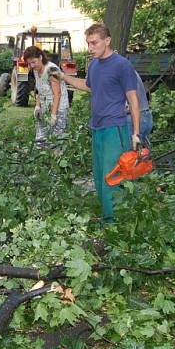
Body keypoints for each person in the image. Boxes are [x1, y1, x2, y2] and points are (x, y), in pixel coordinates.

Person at [61, 23, 141, 224]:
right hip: (96, 128)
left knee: (111, 177)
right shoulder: (94, 64)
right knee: (98, 176)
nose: (90, 48)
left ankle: (114, 224)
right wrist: (63, 77)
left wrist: (136, 133)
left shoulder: (122, 65)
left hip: (114, 128)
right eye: (88, 43)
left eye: (94, 43)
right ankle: (108, 217)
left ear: (107, 41)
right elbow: (87, 87)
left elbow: (133, 99)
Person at [23, 45, 69, 148]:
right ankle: (41, 161)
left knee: (56, 141)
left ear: (40, 57)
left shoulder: (51, 69)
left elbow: (58, 94)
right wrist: (38, 105)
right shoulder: (35, 70)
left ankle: (55, 160)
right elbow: (39, 89)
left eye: (33, 62)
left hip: (58, 109)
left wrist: (53, 114)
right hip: (45, 107)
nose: (32, 65)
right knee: (40, 140)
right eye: (29, 63)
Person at [127, 72, 153, 146]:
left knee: (128, 155)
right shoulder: (130, 70)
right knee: (140, 153)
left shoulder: (121, 70)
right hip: (146, 115)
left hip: (133, 118)